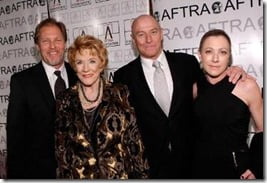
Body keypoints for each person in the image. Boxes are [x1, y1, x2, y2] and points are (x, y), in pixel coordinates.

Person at [113, 14, 247, 178]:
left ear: (161, 34)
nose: (149, 39)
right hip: (150, 169)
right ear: (133, 39)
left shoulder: (187, 63)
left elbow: (213, 84)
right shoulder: (123, 76)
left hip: (193, 165)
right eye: (141, 34)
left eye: (153, 32)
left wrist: (233, 70)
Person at [54, 35, 149, 179]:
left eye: (92, 61)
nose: (86, 69)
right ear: (74, 66)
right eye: (80, 62)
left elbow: (134, 142)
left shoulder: (120, 92)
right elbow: (61, 151)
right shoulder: (64, 99)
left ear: (101, 64)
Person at [6, 18, 77, 178]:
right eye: (46, 41)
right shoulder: (22, 82)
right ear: (37, 46)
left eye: (57, 40)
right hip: (39, 174)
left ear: (65, 43)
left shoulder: (81, 75)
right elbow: (15, 138)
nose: (52, 46)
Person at [191, 29, 263, 179]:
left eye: (222, 52)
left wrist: (257, 165)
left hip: (237, 170)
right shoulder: (195, 87)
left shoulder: (247, 85)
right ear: (200, 54)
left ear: (229, 56)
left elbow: (262, 129)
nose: (215, 59)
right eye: (209, 51)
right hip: (199, 170)